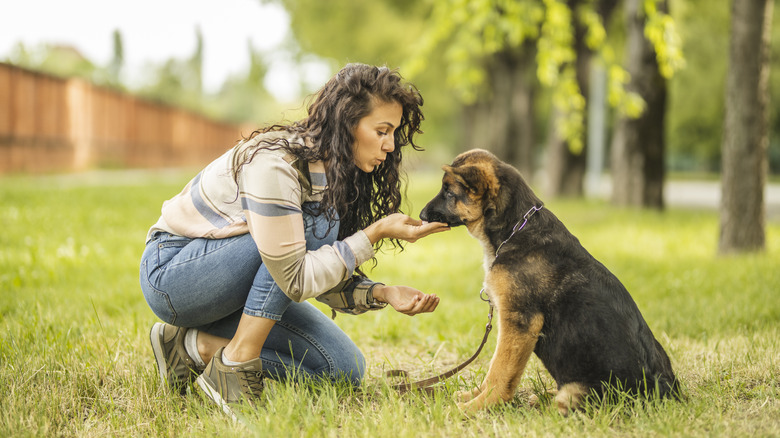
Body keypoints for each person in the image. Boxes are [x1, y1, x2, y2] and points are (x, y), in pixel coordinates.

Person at [139, 63, 450, 414]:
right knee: (315, 223)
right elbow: (295, 277)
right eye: (382, 131)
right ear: (348, 122)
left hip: (234, 287)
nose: (391, 145)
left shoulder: (332, 175)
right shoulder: (277, 164)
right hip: (174, 278)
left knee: (343, 370)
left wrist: (383, 293)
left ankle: (192, 346)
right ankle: (236, 364)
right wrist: (374, 232)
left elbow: (310, 267)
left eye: (393, 133)